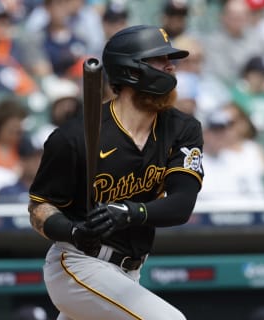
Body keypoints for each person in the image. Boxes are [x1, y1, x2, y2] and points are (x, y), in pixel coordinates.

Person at [28, 25, 204, 320]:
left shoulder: (182, 128)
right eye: (160, 59)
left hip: (129, 273)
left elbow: (181, 205)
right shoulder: (72, 138)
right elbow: (39, 209)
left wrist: (129, 212)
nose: (171, 66)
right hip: (78, 263)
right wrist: (74, 231)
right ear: (131, 70)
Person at [0, 135, 43, 204]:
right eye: (34, 159)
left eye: (42, 159)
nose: (39, 163)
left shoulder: (52, 193)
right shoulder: (7, 192)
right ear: (22, 162)